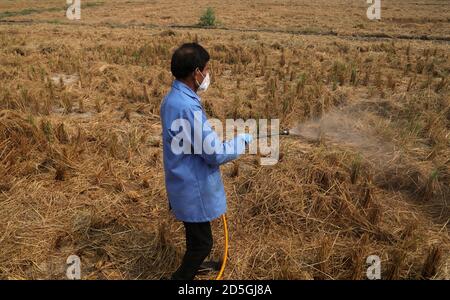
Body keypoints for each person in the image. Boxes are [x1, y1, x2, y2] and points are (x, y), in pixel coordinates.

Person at [160, 43, 252, 280]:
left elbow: (195, 140)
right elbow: (214, 154)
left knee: (195, 234)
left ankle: (195, 264)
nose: (208, 75)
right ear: (196, 73)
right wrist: (240, 142)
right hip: (193, 186)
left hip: (181, 181)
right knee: (203, 243)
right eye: (207, 69)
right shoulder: (187, 107)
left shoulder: (171, 100)